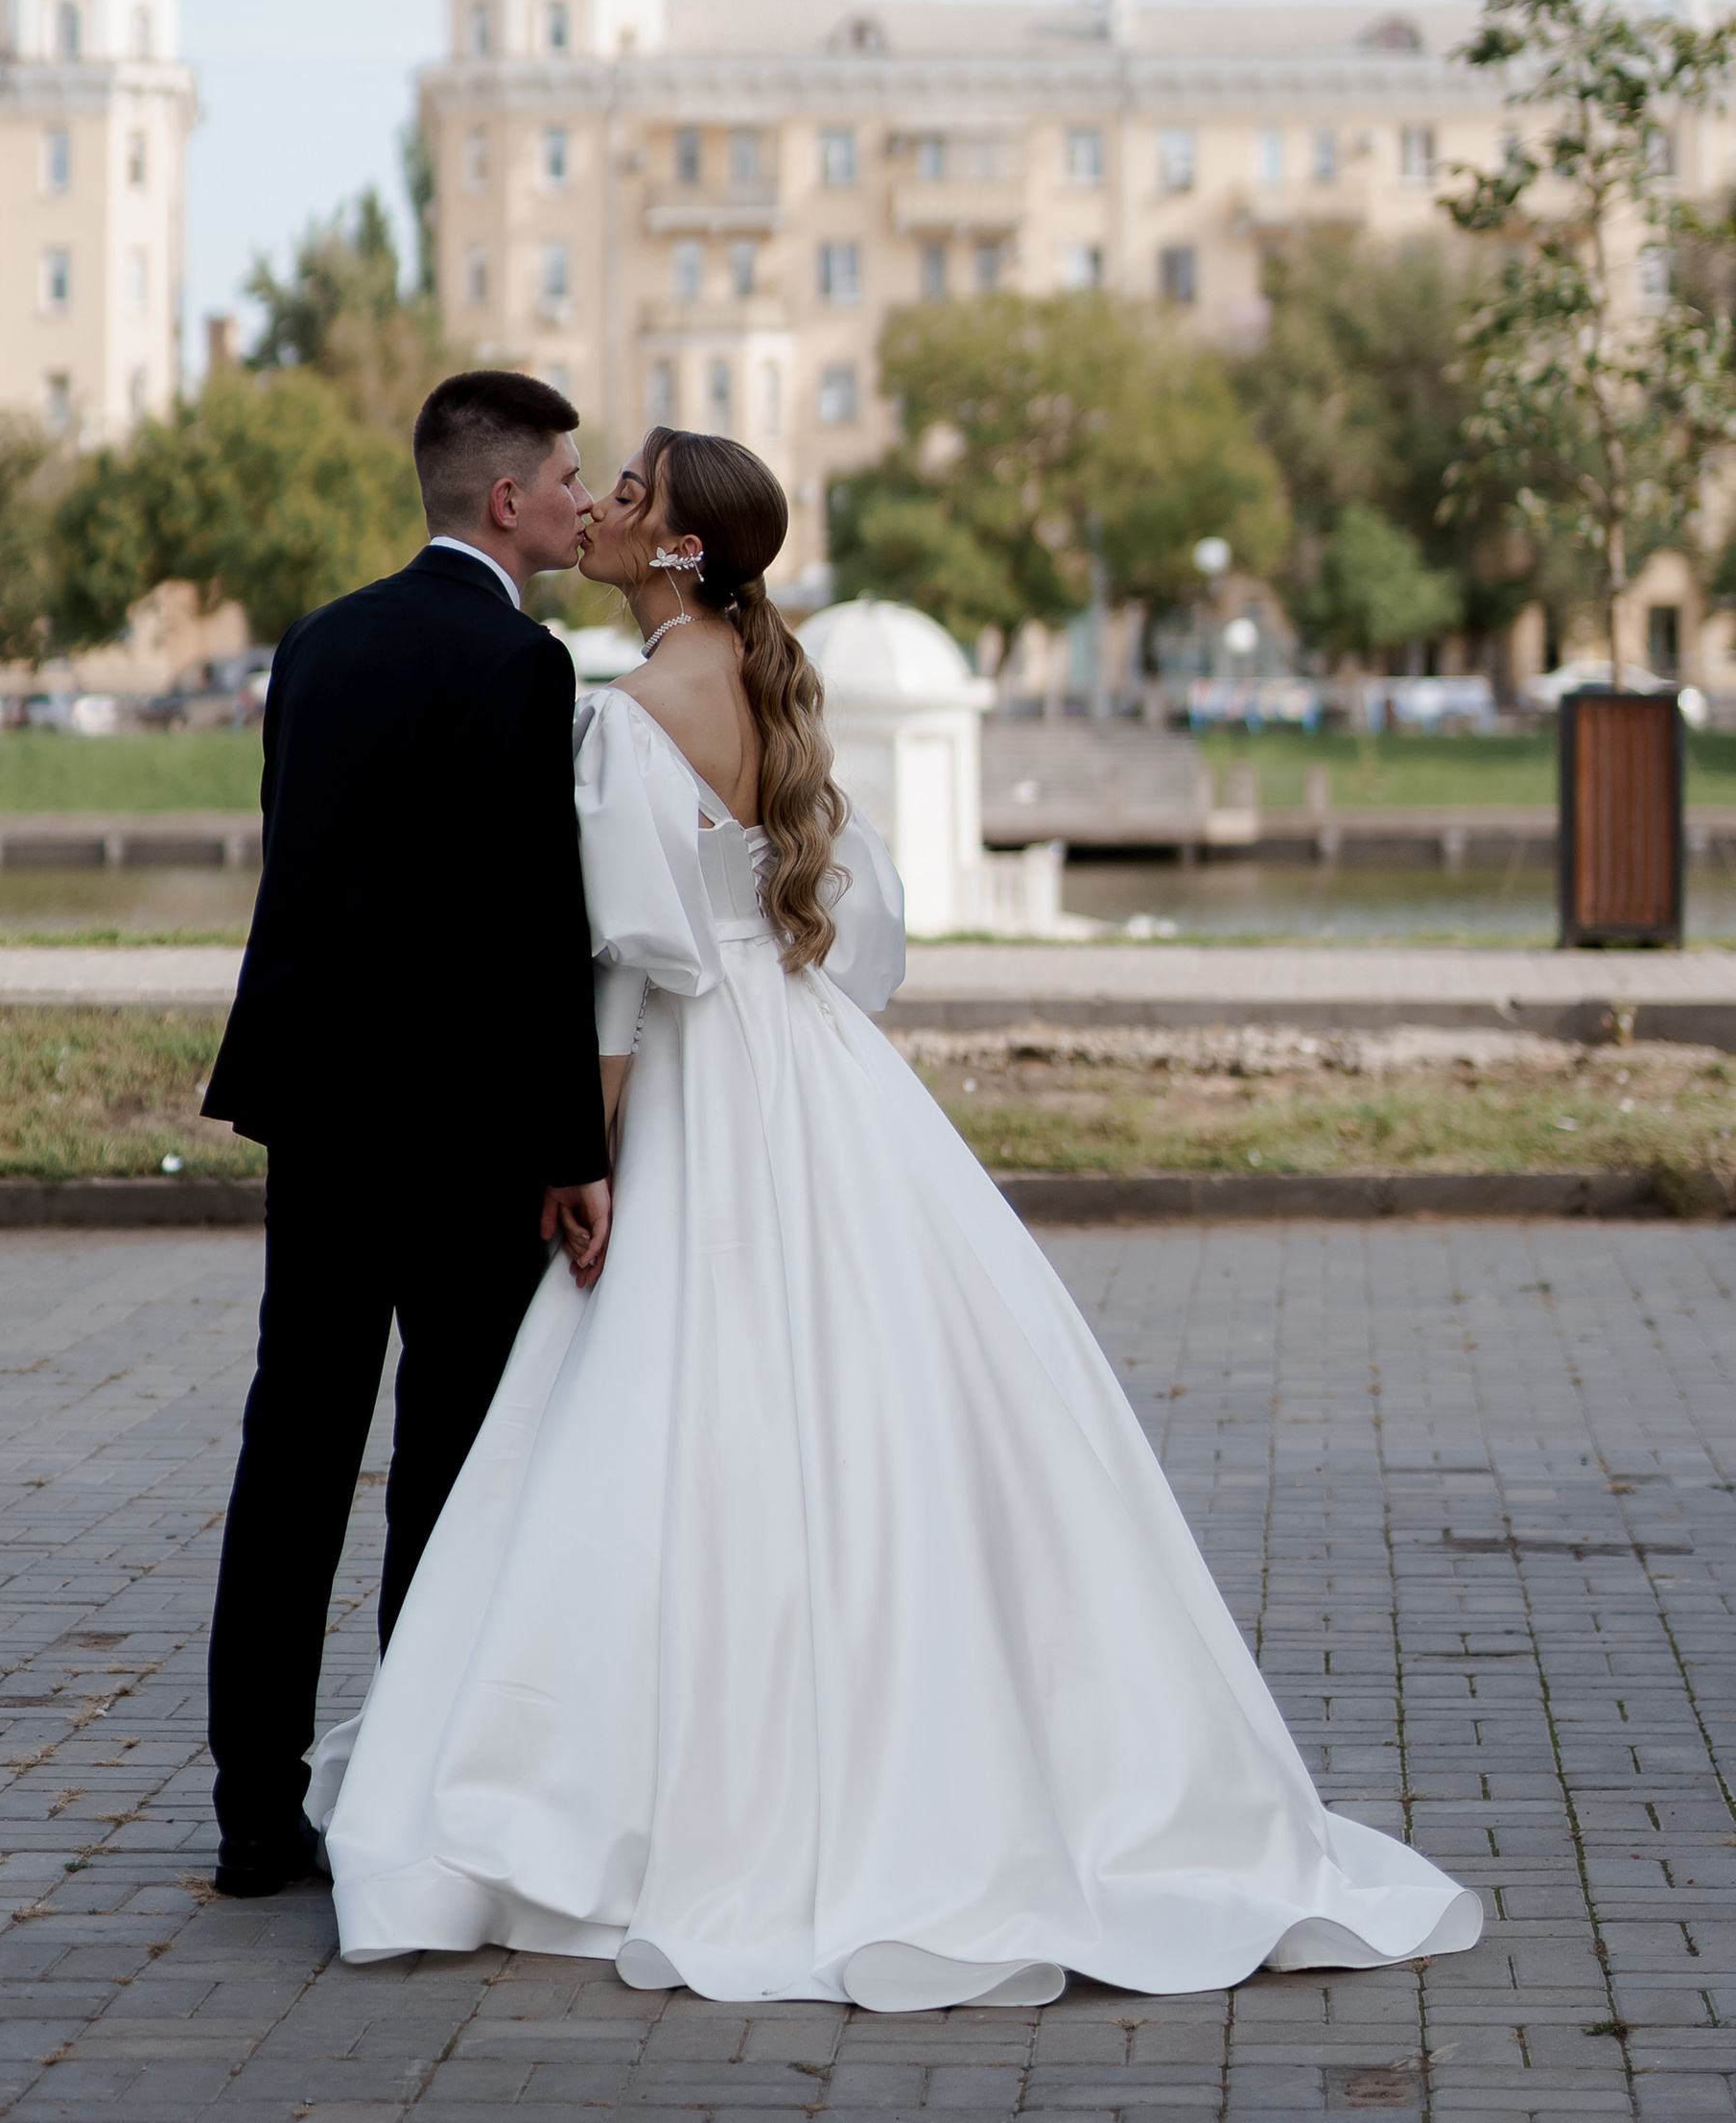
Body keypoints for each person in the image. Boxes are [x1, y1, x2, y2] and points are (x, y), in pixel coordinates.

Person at [308, 424, 1484, 2009]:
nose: (599, 509)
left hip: (703, 1079)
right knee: (868, 1407)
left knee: (670, 1412)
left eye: (631, 495)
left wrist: (584, 1151)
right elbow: (850, 931)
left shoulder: (629, 713)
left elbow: (633, 965)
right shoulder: (762, 685)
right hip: (813, 1071)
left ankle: (641, 1791)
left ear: (676, 549)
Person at [200, 368, 613, 1899]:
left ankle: (256, 1811)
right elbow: (532, 926)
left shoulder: (318, 641)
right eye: (568, 475)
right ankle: (410, 1793)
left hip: (316, 1105)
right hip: (457, 1130)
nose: (582, 496)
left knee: (295, 1444)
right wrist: (575, 1149)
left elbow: (300, 869)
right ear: (508, 500)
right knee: (442, 1455)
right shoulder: (519, 662)